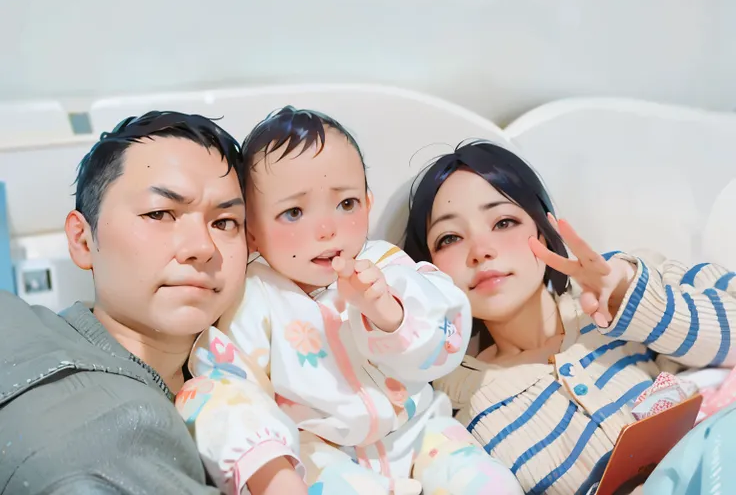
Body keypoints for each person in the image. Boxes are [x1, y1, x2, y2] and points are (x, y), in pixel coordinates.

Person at [176, 107, 523, 495]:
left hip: (418, 432)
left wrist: (389, 313)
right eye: (293, 212)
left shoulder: (385, 265)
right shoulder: (254, 297)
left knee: (484, 480)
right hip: (322, 452)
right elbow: (225, 385)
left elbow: (446, 340)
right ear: (252, 233)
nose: (328, 230)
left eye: (346, 204)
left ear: (368, 204)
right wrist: (268, 470)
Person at [402, 140, 736, 495]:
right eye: (449, 238)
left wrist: (632, 298)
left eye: (503, 221)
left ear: (545, 229)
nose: (481, 251)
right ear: (428, 270)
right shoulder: (459, 409)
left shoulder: (625, 279)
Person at [0, 112, 301, 495]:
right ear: (81, 239)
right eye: (160, 213)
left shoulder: (277, 389)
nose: (201, 248)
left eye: (225, 222)